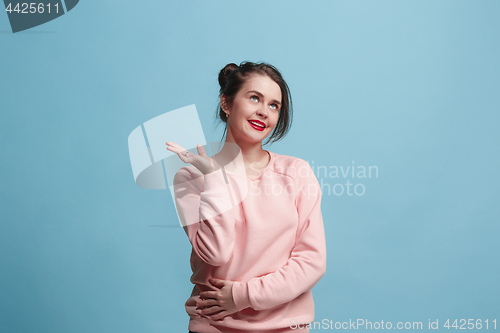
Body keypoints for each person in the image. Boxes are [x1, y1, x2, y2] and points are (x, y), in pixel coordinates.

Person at [166, 62, 327, 333]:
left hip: (284, 327)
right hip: (214, 325)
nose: (264, 112)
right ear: (226, 104)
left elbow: (312, 261)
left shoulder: (296, 172)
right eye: (255, 98)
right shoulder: (190, 178)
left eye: (274, 105)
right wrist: (215, 179)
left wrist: (244, 296)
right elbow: (215, 253)